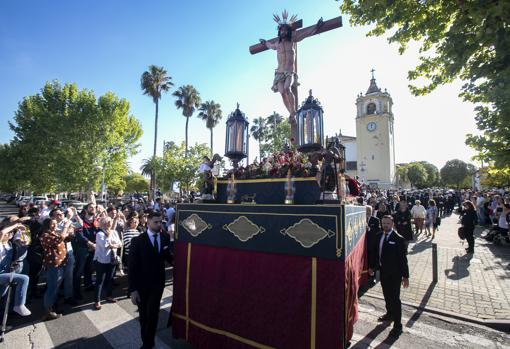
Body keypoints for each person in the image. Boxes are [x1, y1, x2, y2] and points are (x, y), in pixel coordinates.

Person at [128, 211, 173, 349]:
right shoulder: (138, 241)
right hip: (142, 285)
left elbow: (167, 256)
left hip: (158, 283)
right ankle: (146, 340)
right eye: (156, 222)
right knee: (143, 315)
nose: (159, 224)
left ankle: (148, 343)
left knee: (153, 313)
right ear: (148, 223)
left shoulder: (164, 237)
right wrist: (133, 290)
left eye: (161, 222)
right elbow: (132, 267)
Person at [368, 215, 409, 338]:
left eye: (388, 223)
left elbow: (403, 260)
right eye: (383, 223)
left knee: (395, 299)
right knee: (386, 295)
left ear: (392, 224)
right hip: (383, 272)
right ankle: (389, 314)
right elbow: (375, 254)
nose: (385, 225)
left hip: (395, 274)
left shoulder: (398, 239)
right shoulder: (378, 236)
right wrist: (372, 268)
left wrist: (405, 276)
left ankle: (398, 326)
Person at [40, 217, 71, 320]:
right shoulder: (45, 235)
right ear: (47, 225)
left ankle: (53, 307)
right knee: (52, 288)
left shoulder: (54, 233)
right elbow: (60, 239)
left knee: (55, 287)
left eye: (55, 223)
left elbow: (65, 237)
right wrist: (66, 227)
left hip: (60, 264)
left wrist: (68, 232)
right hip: (53, 265)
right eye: (52, 224)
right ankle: (48, 311)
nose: (55, 225)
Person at [0, 221, 31, 316]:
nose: (11, 234)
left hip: (6, 273)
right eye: (9, 232)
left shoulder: (10, 244)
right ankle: (19, 305)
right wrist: (16, 225)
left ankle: (2, 322)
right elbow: (2, 233)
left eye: (12, 233)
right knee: (24, 278)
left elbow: (19, 256)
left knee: (2, 297)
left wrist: (25, 245)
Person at [93, 217, 121, 310]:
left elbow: (119, 243)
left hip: (112, 259)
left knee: (110, 278)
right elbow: (104, 245)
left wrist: (112, 244)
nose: (109, 223)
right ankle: (97, 300)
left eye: (110, 221)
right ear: (103, 224)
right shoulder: (100, 234)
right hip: (101, 260)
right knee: (100, 280)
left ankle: (109, 296)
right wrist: (109, 238)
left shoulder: (114, 232)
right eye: (107, 222)